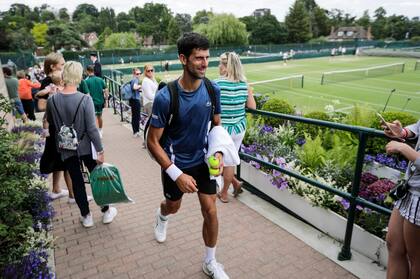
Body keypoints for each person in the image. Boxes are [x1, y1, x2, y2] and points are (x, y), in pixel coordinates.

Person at [147, 32, 229, 279]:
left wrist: (218, 153)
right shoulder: (166, 96)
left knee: (210, 210)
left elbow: (216, 125)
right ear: (183, 59)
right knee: (173, 207)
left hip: (202, 161)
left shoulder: (213, 90)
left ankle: (210, 262)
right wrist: (176, 173)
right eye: (198, 58)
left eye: (207, 58)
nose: (204, 64)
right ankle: (161, 216)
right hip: (175, 163)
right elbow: (152, 142)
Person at [46, 61, 117, 227]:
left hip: (66, 148)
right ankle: (106, 211)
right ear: (79, 77)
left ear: (64, 75)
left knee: (76, 181)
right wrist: (100, 150)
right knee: (97, 179)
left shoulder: (53, 100)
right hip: (86, 147)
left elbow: (51, 123)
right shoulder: (85, 99)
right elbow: (92, 129)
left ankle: (86, 216)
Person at [215, 52, 256, 203]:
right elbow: (252, 106)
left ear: (227, 67)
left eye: (221, 63)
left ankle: (224, 193)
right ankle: (235, 184)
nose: (219, 66)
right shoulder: (244, 84)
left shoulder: (217, 84)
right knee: (230, 161)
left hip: (222, 129)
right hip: (239, 129)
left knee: (222, 161)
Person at [382, 119, 420, 279]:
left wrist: (403, 147)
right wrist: (403, 132)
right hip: (409, 189)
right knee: (394, 245)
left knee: (417, 260)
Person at [37, 52, 73, 201]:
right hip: (55, 127)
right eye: (62, 64)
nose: (64, 67)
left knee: (58, 160)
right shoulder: (48, 82)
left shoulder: (57, 80)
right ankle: (74, 195)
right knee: (67, 160)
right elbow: (40, 105)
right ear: (52, 67)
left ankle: (56, 189)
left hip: (56, 126)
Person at [85, 65, 108, 138]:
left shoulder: (86, 81)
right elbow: (106, 90)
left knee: (93, 118)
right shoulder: (100, 80)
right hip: (100, 101)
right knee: (99, 116)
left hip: (91, 102)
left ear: (87, 71)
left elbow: (86, 93)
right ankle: (100, 130)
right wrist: (106, 100)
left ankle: (96, 132)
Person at [128, 68, 142, 137]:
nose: (138, 75)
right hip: (135, 100)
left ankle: (135, 131)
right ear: (134, 74)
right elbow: (134, 87)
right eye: (137, 74)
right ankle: (136, 131)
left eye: (140, 73)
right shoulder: (135, 79)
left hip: (132, 99)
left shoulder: (133, 79)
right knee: (136, 116)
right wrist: (140, 86)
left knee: (134, 116)